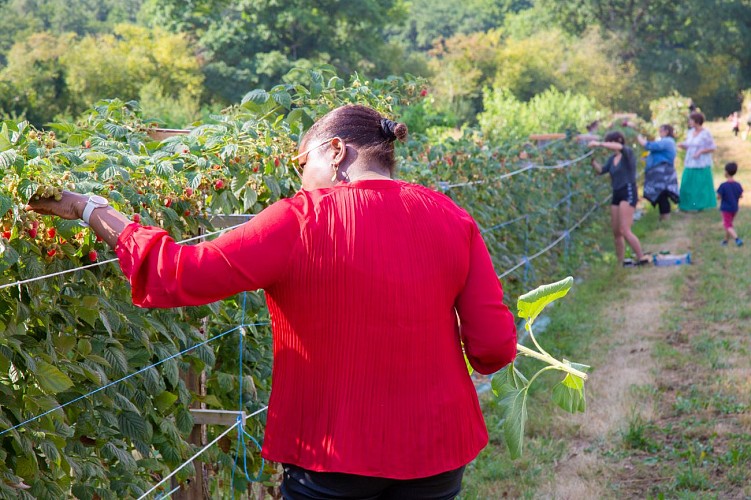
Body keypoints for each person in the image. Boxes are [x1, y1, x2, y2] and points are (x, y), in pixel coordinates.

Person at [29, 104, 518, 499]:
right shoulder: (453, 218)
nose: (300, 178)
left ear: (335, 150)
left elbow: (173, 273)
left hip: (330, 456)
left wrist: (91, 208)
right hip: (435, 455)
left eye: (303, 165)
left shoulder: (299, 220)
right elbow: (494, 347)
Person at [589, 131, 649, 267]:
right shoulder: (612, 159)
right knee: (616, 231)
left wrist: (598, 143)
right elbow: (602, 170)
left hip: (628, 191)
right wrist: (593, 162)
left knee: (625, 229)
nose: (607, 146)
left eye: (610, 142)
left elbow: (620, 147)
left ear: (618, 141)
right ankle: (620, 262)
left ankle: (641, 257)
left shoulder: (627, 153)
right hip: (616, 193)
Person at [637, 124, 679, 221]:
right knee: (661, 195)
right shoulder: (666, 141)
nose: (659, 133)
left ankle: (665, 218)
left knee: (662, 194)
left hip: (662, 173)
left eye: (661, 131)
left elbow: (650, 146)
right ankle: (663, 218)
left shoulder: (667, 141)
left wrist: (640, 139)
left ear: (666, 131)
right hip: (660, 172)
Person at [678, 112, 717, 211]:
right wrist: (683, 146)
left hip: (701, 163)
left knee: (700, 186)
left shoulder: (705, 133)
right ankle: (687, 204)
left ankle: (700, 205)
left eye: (691, 120)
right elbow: (689, 144)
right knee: (687, 183)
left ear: (697, 121)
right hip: (690, 162)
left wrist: (701, 151)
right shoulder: (690, 132)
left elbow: (712, 147)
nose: (689, 122)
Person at [717, 162, 744, 246]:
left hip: (726, 208)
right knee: (729, 224)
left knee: (727, 225)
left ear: (726, 172)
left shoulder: (723, 185)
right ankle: (725, 241)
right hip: (735, 208)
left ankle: (737, 239)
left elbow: (718, 197)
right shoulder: (738, 185)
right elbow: (741, 195)